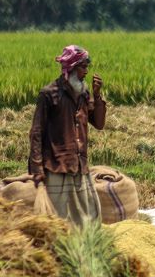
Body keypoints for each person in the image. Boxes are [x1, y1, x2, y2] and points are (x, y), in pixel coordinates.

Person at [28, 45, 106, 226]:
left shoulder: (83, 94)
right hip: (57, 167)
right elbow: (36, 133)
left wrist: (97, 95)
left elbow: (99, 124)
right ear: (70, 69)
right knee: (60, 221)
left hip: (79, 165)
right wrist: (38, 171)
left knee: (88, 219)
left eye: (87, 67)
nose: (86, 72)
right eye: (82, 67)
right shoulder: (50, 94)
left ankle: (83, 251)